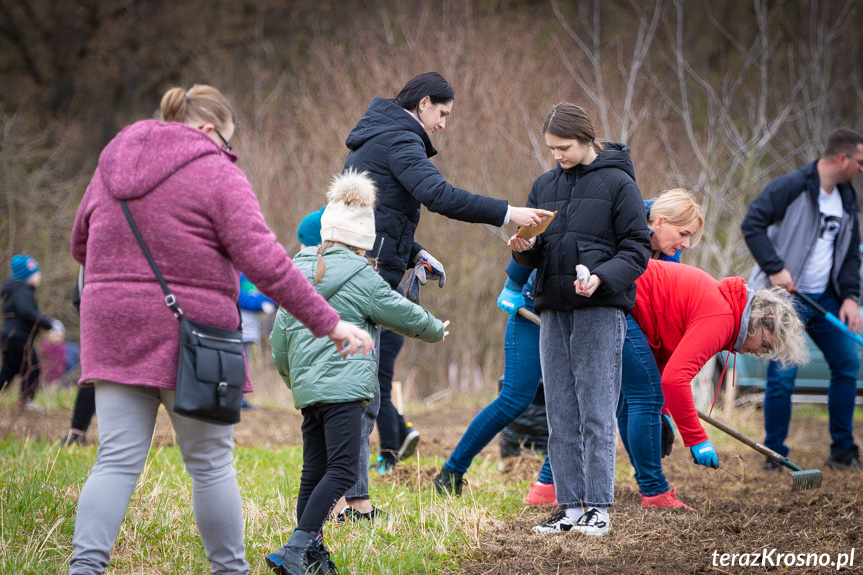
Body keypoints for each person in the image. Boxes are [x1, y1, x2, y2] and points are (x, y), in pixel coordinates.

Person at [67, 84, 373, 575]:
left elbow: (79, 243)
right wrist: (328, 321)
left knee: (116, 460)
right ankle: (230, 571)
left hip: (112, 327)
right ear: (209, 129)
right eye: (228, 141)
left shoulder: (112, 160)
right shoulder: (214, 169)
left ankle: (84, 569)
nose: (230, 152)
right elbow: (266, 261)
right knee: (209, 464)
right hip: (194, 336)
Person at [341, 71, 552, 503]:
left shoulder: (376, 138)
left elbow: (376, 217)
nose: (443, 124)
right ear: (423, 104)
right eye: (443, 113)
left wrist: (412, 250)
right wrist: (508, 212)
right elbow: (438, 194)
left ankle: (353, 501)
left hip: (369, 266)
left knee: (363, 388)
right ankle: (348, 502)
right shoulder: (400, 140)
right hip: (370, 274)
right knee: (361, 391)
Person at [266, 169, 449, 575]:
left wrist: (294, 378)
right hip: (346, 390)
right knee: (346, 468)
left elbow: (279, 341)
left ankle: (310, 552)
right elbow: (398, 311)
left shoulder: (295, 275)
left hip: (309, 392)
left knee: (314, 470)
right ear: (363, 240)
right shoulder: (361, 274)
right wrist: (435, 329)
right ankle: (295, 548)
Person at [510, 102, 651, 537]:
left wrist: (602, 278)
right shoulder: (544, 184)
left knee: (595, 411)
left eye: (564, 147)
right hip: (552, 309)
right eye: (552, 148)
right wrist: (523, 247)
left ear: (587, 139)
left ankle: (598, 508)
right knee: (560, 414)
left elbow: (637, 250)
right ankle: (568, 508)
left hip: (600, 310)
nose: (558, 155)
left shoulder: (619, 184)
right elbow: (539, 249)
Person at [519, 189, 706, 509]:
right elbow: (553, 247)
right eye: (683, 234)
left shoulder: (667, 248)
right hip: (575, 298)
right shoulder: (620, 226)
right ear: (659, 222)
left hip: (610, 305)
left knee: (607, 398)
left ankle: (547, 486)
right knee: (633, 395)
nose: (685, 244)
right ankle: (654, 490)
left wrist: (661, 413)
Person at [741, 127, 863, 470]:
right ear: (842, 158)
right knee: (782, 373)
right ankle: (775, 454)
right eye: (859, 161)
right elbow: (752, 223)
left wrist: (850, 297)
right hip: (784, 298)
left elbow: (851, 253)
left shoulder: (847, 201)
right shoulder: (792, 186)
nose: (861, 168)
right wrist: (775, 267)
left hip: (825, 299)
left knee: (847, 364)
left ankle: (842, 451)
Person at [630, 259, 809, 471]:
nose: (760, 353)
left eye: (766, 351)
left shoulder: (727, 315)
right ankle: (652, 491)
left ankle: (651, 489)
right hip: (625, 297)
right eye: (765, 344)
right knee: (641, 399)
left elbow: (664, 355)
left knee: (646, 398)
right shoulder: (722, 318)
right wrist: (698, 440)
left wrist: (665, 411)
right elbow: (675, 379)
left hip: (633, 305)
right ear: (762, 319)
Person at [1, 255, 60, 412]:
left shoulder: (15, 289)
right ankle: (27, 401)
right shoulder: (22, 290)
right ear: (26, 274)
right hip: (18, 338)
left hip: (9, 336)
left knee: (9, 370)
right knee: (33, 368)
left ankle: (25, 401)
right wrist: (50, 324)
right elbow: (27, 312)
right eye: (36, 272)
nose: (39, 275)